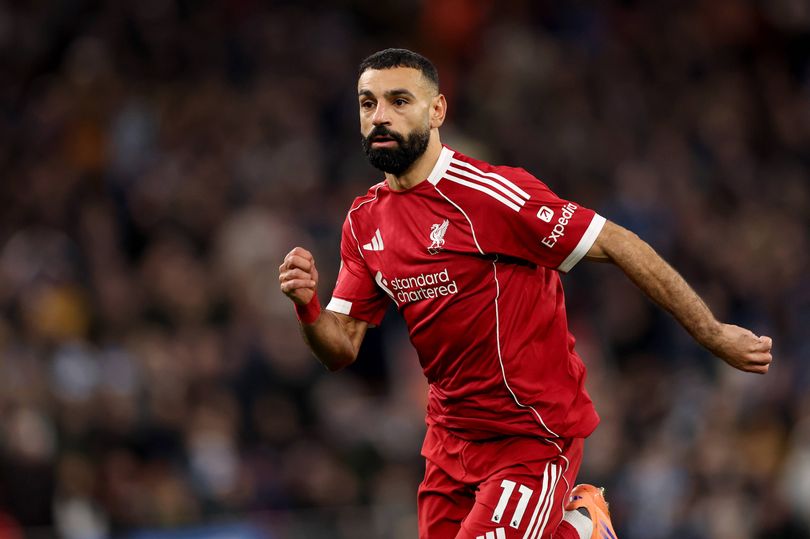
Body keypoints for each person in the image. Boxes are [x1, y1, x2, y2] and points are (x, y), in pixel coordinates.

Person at [277, 48, 773, 539]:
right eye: (368, 103)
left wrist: (712, 333)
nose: (380, 116)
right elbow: (340, 348)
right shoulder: (364, 221)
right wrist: (308, 306)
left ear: (437, 110)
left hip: (530, 435)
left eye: (399, 101)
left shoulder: (489, 195)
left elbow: (618, 242)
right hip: (449, 442)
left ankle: (581, 529)